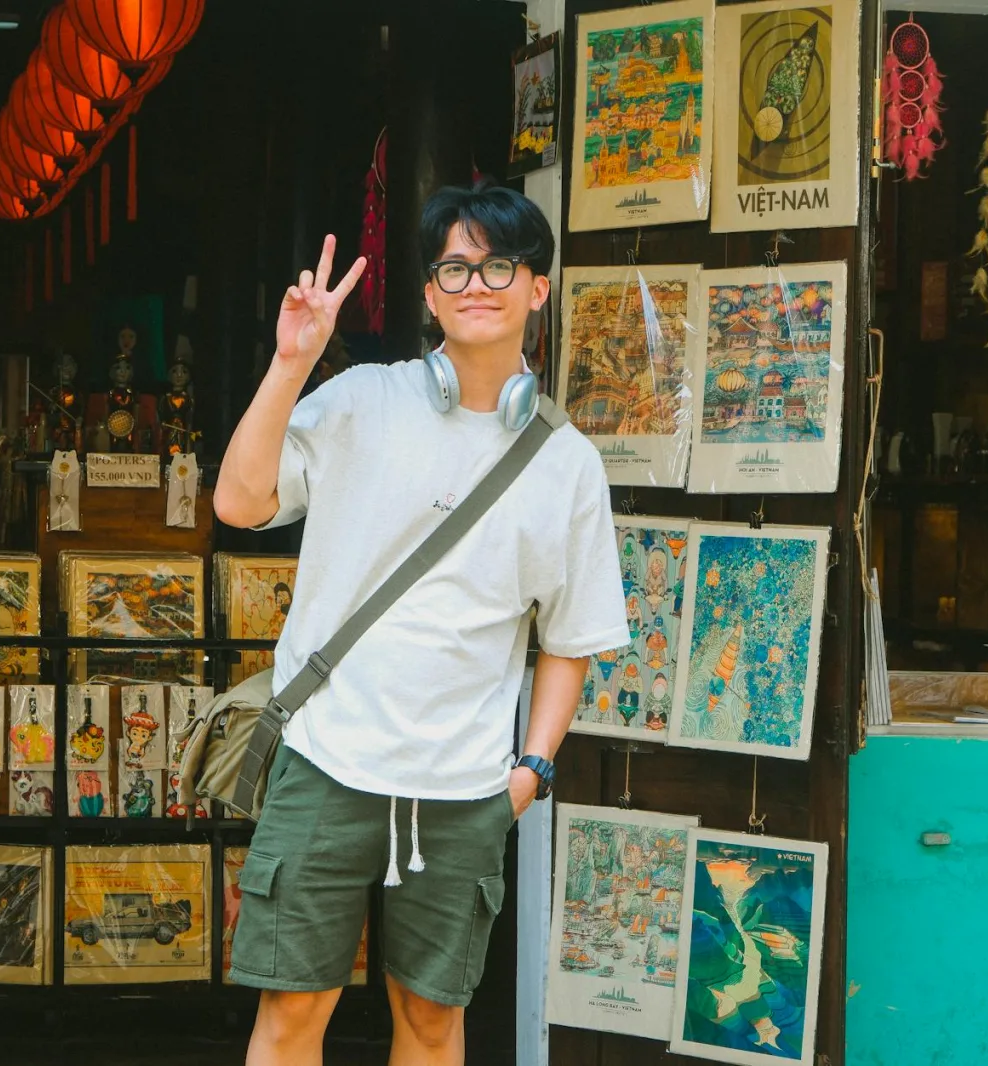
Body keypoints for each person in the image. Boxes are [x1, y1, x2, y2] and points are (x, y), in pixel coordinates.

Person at [213, 179, 628, 1066]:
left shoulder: (567, 464)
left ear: (537, 287)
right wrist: (291, 364)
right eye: (454, 268)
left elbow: (570, 641)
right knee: (292, 1015)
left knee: (435, 1022)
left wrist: (530, 773)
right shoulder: (363, 400)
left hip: (464, 789)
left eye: (498, 266)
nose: (476, 285)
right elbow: (240, 503)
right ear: (430, 294)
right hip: (328, 760)